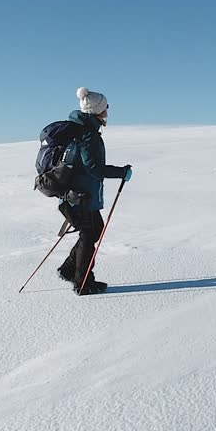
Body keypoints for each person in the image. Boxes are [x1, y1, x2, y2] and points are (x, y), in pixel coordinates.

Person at [56, 87, 132, 295]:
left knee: (92, 231)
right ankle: (83, 282)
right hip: (82, 196)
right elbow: (94, 168)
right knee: (90, 234)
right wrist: (121, 172)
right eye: (105, 107)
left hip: (74, 194)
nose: (107, 110)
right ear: (97, 110)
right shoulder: (88, 136)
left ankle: (70, 269)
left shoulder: (77, 130)